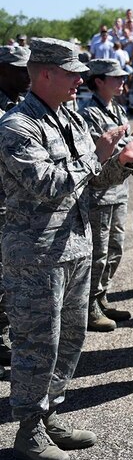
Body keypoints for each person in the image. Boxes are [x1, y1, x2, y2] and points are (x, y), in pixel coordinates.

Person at [0, 38, 133, 460]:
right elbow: (47, 184)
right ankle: (28, 430)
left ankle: (49, 414)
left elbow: (91, 181)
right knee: (37, 343)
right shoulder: (17, 127)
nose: (79, 80)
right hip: (35, 255)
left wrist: (121, 162)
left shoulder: (66, 117)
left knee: (71, 337)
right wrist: (98, 157)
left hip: (75, 245)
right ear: (45, 74)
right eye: (72, 73)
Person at [78, 59, 133, 333]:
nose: (121, 81)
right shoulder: (88, 112)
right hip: (100, 191)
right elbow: (99, 149)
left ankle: (102, 297)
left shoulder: (119, 108)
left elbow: (122, 146)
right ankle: (88, 305)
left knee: (115, 249)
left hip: (119, 189)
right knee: (98, 251)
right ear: (98, 81)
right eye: (115, 77)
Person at [0, 44, 30, 374]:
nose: (27, 75)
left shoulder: (19, 106)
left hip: (12, 207)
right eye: (20, 69)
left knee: (9, 282)